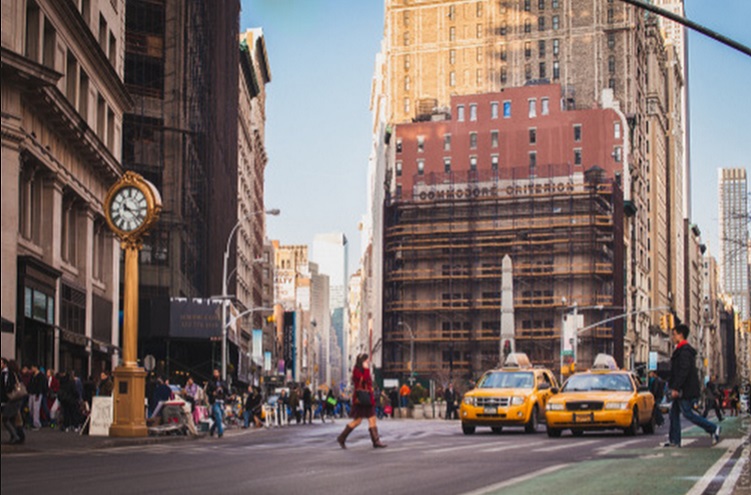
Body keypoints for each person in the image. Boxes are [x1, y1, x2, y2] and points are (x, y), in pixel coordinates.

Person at [665, 324, 720, 447]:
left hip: (685, 390)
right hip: (683, 388)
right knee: (673, 413)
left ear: (680, 335)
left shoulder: (684, 351)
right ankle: (674, 440)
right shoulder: (682, 350)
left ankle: (713, 428)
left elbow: (683, 371)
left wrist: (676, 388)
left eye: (674, 334)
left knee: (687, 413)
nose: (672, 337)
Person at [336, 353, 387, 449]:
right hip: (361, 399)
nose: (368, 361)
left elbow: (369, 382)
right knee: (357, 421)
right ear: (362, 361)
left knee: (372, 419)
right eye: (366, 360)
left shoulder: (365, 369)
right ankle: (342, 437)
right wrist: (367, 369)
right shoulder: (357, 370)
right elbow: (362, 379)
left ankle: (376, 441)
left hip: (367, 398)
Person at [1, 358, 26, 444]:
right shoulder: (16, 374)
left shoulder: (11, 374)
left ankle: (15, 436)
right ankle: (16, 436)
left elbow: (9, 387)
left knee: (6, 418)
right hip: (15, 399)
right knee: (13, 419)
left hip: (14, 399)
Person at [205, 369, 228, 438]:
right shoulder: (211, 382)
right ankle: (220, 432)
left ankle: (212, 429)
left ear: (219, 373)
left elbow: (227, 390)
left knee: (220, 418)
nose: (215, 374)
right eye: (214, 372)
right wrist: (212, 393)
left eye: (216, 372)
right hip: (214, 401)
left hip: (221, 401)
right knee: (218, 415)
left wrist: (223, 390)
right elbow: (207, 391)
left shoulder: (223, 382)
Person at [27, 364, 47, 429]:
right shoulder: (33, 376)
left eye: (32, 367)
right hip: (31, 393)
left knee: (36, 409)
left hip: (37, 394)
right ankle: (33, 421)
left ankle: (36, 423)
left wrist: (38, 394)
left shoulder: (40, 376)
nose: (32, 369)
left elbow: (40, 386)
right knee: (31, 408)